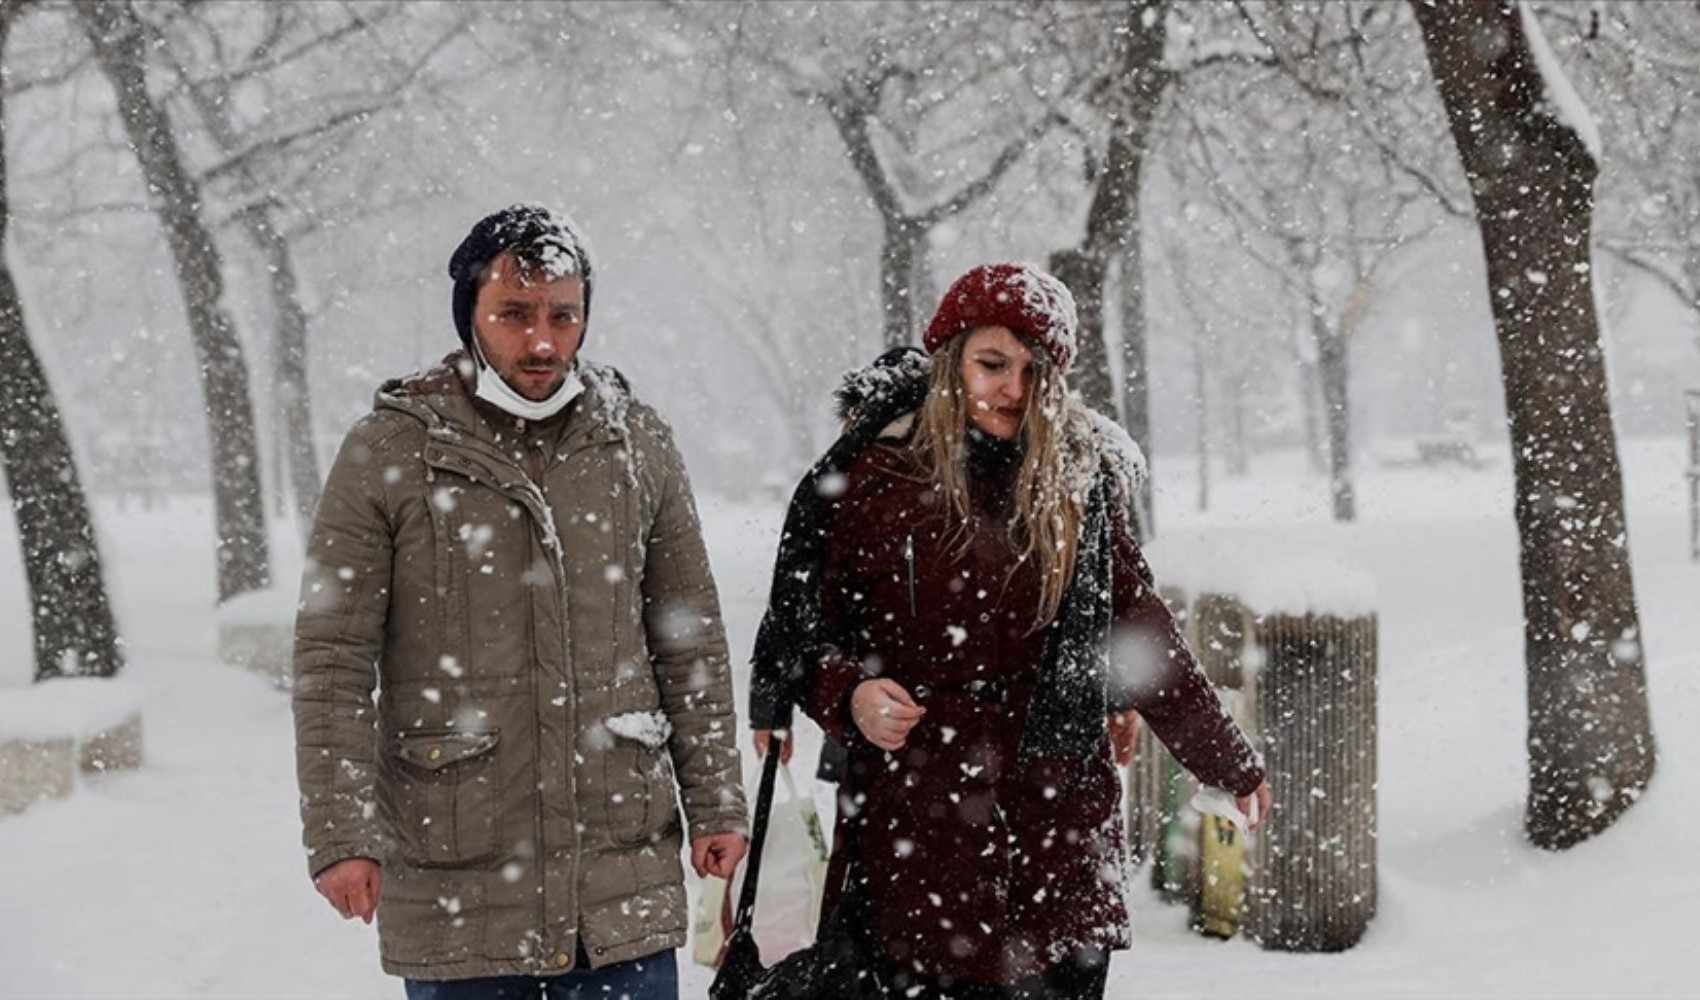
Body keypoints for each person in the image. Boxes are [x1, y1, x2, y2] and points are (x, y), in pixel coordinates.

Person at [748, 262, 1271, 999]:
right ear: (950, 358)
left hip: (1058, 841)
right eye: (993, 364)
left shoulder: (1080, 484)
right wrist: (851, 696)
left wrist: (1226, 760)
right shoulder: (875, 479)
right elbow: (796, 631)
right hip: (917, 841)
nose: (1013, 391)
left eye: (1034, 371)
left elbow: (1143, 632)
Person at [292, 204, 748, 999]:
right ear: (470, 314)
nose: (542, 341)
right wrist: (339, 833)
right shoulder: (391, 451)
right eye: (514, 314)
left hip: (620, 882)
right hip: (459, 879)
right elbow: (332, 658)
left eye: (562, 316)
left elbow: (688, 637)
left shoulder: (636, 444)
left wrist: (716, 801)